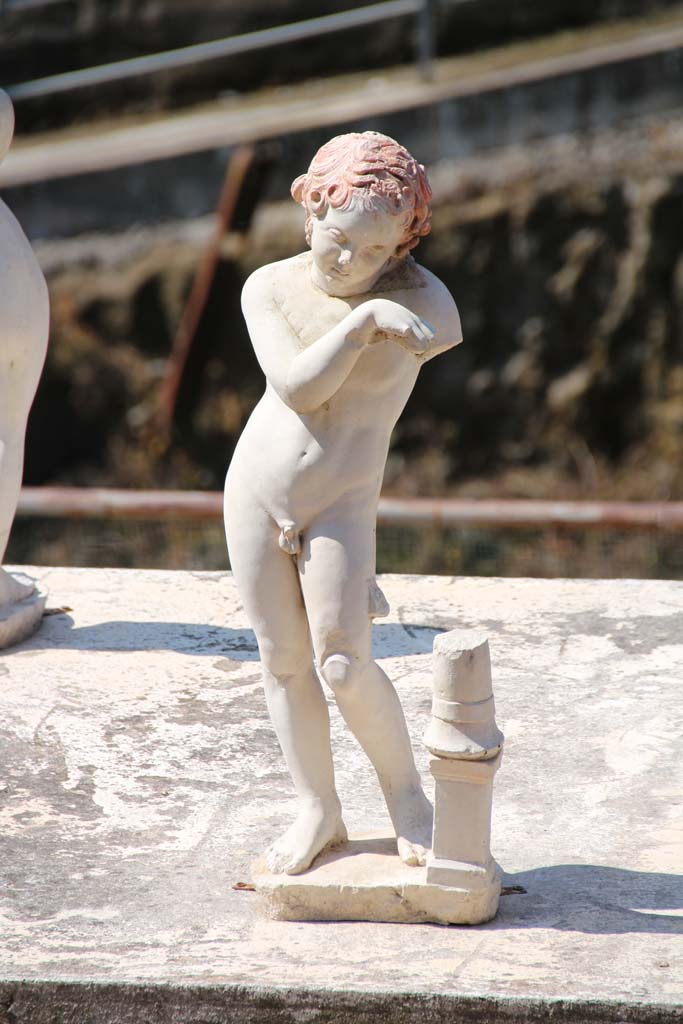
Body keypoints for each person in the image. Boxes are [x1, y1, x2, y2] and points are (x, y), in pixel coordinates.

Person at [224, 131, 462, 875]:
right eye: (336, 239)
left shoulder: (423, 301)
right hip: (256, 490)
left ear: (401, 248)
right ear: (309, 213)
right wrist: (362, 324)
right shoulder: (268, 287)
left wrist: (383, 302)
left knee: (342, 662)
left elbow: (441, 331)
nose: (348, 261)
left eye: (373, 250)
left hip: (341, 503)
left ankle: (407, 799)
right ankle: (317, 808)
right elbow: (299, 389)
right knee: (282, 660)